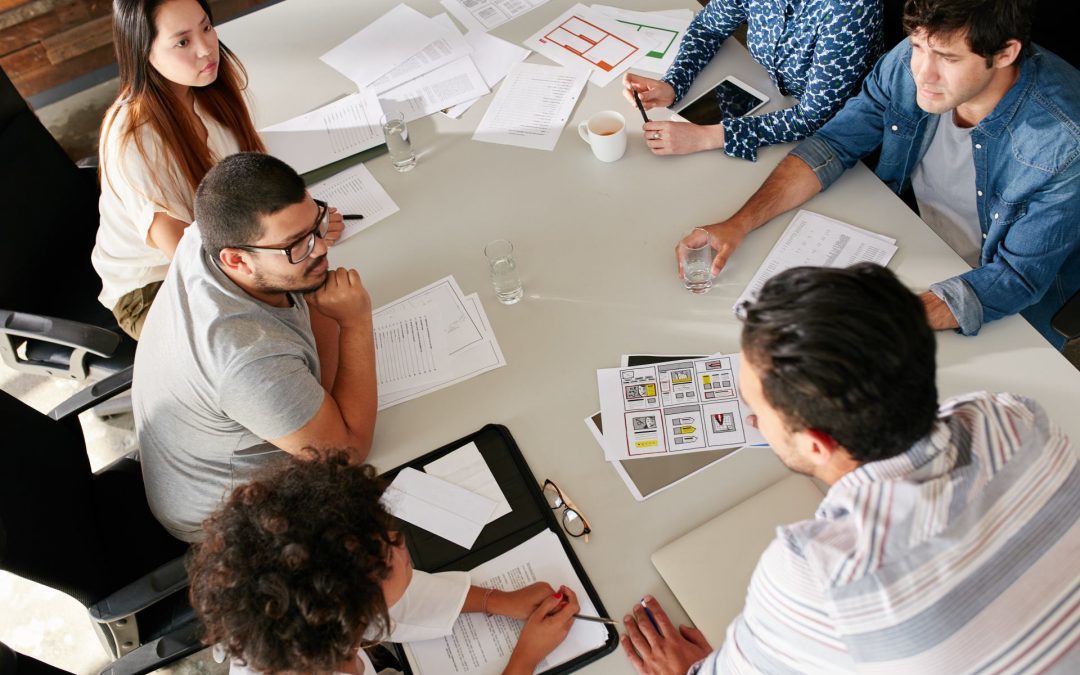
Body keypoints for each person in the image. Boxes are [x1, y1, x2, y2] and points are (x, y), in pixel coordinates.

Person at [621, 263, 1079, 674]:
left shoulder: (816, 577)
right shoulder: (1012, 416)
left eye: (755, 408)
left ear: (817, 445)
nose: (751, 421)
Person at [678, 0, 1080, 349]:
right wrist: (738, 223)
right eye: (920, 46)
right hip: (912, 242)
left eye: (949, 58)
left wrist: (875, 323)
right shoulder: (909, 60)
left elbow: (1016, 278)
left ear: (1006, 53)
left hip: (995, 298)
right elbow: (834, 144)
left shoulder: (1063, 142)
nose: (923, 72)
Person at [133, 152, 375, 542]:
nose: (320, 249)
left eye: (317, 224)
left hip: (207, 454)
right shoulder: (245, 357)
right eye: (295, 244)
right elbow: (346, 455)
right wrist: (355, 322)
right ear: (237, 259)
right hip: (231, 523)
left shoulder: (207, 233)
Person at [188, 450, 581, 675]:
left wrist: (495, 600)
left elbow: (396, 600)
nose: (399, 539)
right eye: (386, 551)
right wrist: (525, 658)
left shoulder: (311, 624)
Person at [92, 0, 343, 339]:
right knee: (287, 334)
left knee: (324, 303)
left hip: (227, 249)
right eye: (182, 41)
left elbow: (253, 182)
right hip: (157, 286)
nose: (206, 49)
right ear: (144, 52)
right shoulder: (133, 138)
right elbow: (190, 259)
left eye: (206, 27)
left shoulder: (207, 89)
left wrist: (304, 230)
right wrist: (294, 249)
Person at [622, 0, 883, 161]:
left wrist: (707, 137)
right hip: (777, 102)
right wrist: (674, 83)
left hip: (844, 136)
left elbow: (813, 117)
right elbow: (708, 28)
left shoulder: (850, 7)